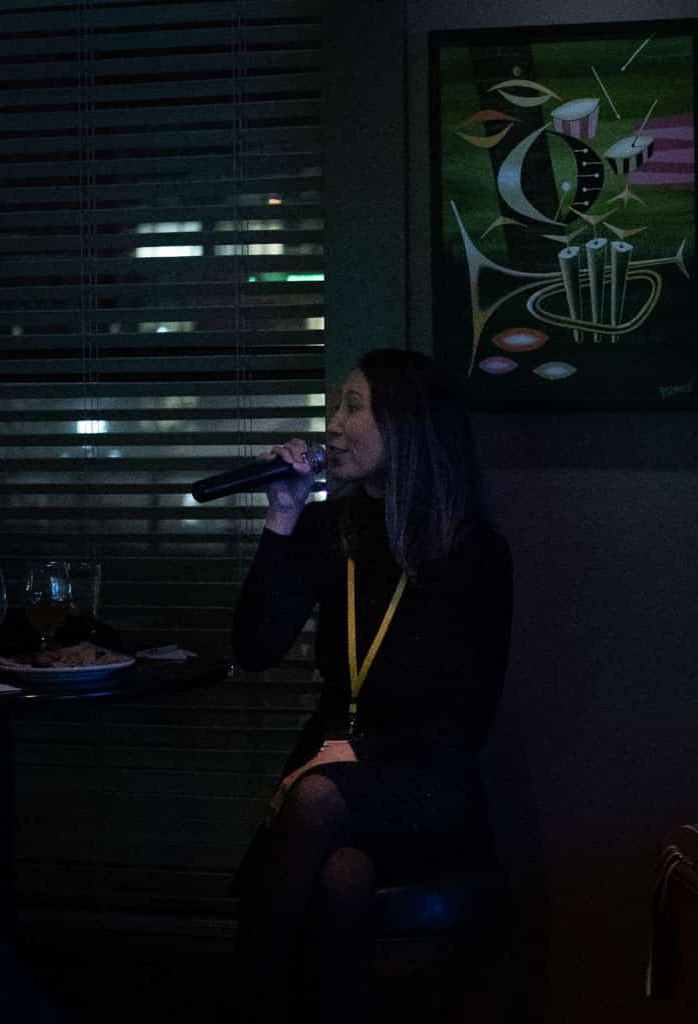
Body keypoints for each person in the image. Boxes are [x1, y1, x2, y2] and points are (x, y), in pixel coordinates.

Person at [229, 348, 512, 1023]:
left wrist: (359, 754)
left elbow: (468, 716)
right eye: (336, 406)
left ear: (406, 427)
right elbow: (255, 649)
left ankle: (242, 1010)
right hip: (332, 768)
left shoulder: (473, 551)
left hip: (425, 779)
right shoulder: (330, 527)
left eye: (353, 408)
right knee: (342, 876)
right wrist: (282, 517)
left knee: (316, 796)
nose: (332, 424)